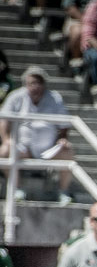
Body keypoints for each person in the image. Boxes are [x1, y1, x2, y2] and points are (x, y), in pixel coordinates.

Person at [0, 67, 74, 203]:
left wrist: (62, 139)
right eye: (32, 83)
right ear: (26, 84)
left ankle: (64, 192)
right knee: (5, 151)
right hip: (23, 148)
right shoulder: (15, 96)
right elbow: (3, 120)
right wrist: (6, 140)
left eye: (39, 83)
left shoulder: (55, 98)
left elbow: (65, 124)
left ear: (44, 84)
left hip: (48, 149)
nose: (35, 87)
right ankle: (17, 190)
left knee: (67, 151)